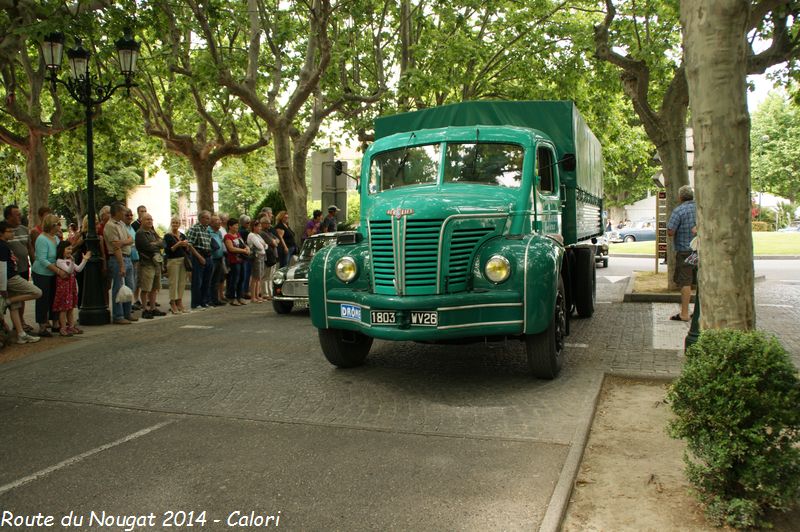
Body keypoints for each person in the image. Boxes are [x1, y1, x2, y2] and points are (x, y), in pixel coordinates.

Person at [0, 220, 42, 344]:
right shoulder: (2, 246)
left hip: (11, 276)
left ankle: (21, 334)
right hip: (11, 278)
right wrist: (3, 289)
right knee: (37, 292)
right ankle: (7, 301)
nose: (12, 233)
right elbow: (2, 268)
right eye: (9, 231)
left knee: (15, 307)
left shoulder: (5, 244)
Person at [103, 202, 138, 325]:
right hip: (118, 259)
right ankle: (118, 315)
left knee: (130, 286)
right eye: (123, 211)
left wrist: (122, 243)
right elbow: (115, 247)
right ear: (117, 212)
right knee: (118, 287)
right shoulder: (110, 226)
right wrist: (121, 265)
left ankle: (127, 312)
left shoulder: (122, 224)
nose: (125, 213)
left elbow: (131, 239)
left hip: (127, 257)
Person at [667, 185, 697, 322]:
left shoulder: (679, 211)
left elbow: (670, 231)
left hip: (685, 251)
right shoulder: (701, 208)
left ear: (680, 197)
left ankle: (684, 313)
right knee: (699, 281)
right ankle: (699, 313)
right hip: (700, 251)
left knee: (686, 281)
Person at [4, 205, 35, 332]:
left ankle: (21, 321)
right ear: (8, 216)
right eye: (16, 214)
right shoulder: (3, 231)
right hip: (9, 271)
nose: (19, 216)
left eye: (19, 213)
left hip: (23, 268)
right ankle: (13, 325)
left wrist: (34, 262)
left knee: (22, 297)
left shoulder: (23, 229)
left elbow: (29, 247)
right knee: (13, 297)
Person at [32, 213, 64, 336]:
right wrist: (57, 270)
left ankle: (55, 322)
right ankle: (42, 325)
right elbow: (42, 259)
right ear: (52, 225)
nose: (60, 226)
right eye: (58, 224)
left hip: (53, 271)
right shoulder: (42, 239)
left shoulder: (55, 238)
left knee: (54, 297)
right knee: (43, 298)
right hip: (42, 272)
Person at [52, 240, 90, 336]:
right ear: (62, 250)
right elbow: (69, 271)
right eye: (68, 249)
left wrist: (84, 260)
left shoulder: (69, 260)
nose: (70, 250)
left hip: (71, 288)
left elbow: (78, 269)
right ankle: (63, 328)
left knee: (70, 308)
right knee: (63, 309)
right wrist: (72, 262)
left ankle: (71, 326)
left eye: (71, 249)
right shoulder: (60, 261)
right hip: (64, 288)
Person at [135, 214, 166, 319]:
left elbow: (164, 244)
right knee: (146, 288)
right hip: (146, 264)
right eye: (147, 219)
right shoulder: (140, 233)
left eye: (151, 219)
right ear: (142, 221)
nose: (150, 221)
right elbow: (147, 247)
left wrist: (155, 243)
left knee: (154, 287)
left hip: (156, 263)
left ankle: (153, 308)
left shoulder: (153, 232)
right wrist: (156, 244)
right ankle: (145, 309)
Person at [186, 210, 214, 310]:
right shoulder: (195, 228)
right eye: (207, 218)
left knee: (207, 280)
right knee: (197, 281)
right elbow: (189, 244)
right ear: (201, 218)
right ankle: (196, 303)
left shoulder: (207, 229)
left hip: (208, 255)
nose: (209, 220)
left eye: (209, 218)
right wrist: (199, 257)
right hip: (198, 255)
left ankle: (204, 301)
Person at [163, 216, 190, 314]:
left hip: (183, 260)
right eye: (173, 222)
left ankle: (179, 301)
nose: (175, 224)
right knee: (173, 283)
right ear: (171, 223)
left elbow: (187, 247)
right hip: (173, 261)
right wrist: (178, 244)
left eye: (177, 222)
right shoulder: (167, 236)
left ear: (179, 224)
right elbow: (168, 250)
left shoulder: (182, 235)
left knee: (182, 282)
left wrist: (186, 245)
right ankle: (172, 302)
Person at [223, 219, 250, 306]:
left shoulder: (238, 235)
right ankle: (232, 297)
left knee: (242, 278)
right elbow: (231, 248)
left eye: (237, 225)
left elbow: (243, 243)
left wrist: (247, 248)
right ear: (230, 226)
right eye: (235, 225)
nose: (237, 227)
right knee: (234, 280)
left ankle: (240, 297)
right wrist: (243, 250)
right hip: (234, 261)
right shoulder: (228, 236)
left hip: (242, 260)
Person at [125, 209, 142, 311]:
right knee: (128, 282)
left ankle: (134, 300)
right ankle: (128, 304)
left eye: (131, 215)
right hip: (127, 257)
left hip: (135, 257)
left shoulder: (131, 227)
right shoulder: (123, 227)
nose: (130, 217)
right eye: (127, 215)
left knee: (135, 281)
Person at [246, 219, 267, 303]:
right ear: (254, 227)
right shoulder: (251, 235)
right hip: (256, 257)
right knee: (255, 277)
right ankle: (253, 297)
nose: (260, 228)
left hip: (261, 256)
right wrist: (263, 245)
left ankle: (257, 295)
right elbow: (260, 246)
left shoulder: (258, 235)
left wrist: (263, 245)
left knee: (259, 277)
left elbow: (266, 246)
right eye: (258, 226)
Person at [208, 214, 226, 306]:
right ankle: (210, 300)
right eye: (217, 221)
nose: (219, 222)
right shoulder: (208, 231)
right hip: (212, 259)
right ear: (211, 223)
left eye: (219, 220)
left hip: (219, 258)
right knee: (211, 280)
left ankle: (216, 299)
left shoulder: (219, 232)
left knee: (217, 280)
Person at [260, 217, 279, 300]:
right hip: (268, 257)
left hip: (273, 256)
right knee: (266, 275)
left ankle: (270, 292)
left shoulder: (269, 232)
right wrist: (274, 241)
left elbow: (277, 240)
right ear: (263, 223)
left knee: (271, 276)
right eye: (267, 223)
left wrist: (275, 241)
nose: (269, 225)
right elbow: (273, 243)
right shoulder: (262, 233)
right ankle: (265, 293)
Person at [238, 215, 252, 299]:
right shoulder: (244, 232)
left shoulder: (241, 231)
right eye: (248, 222)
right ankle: (245, 291)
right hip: (245, 254)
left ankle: (244, 291)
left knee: (245, 274)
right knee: (246, 274)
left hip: (244, 254)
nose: (249, 224)